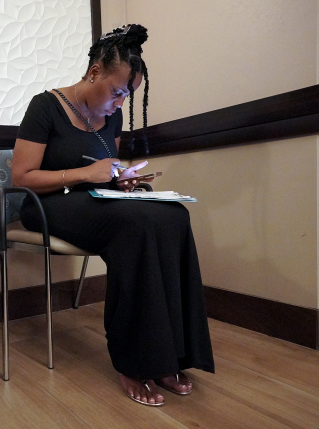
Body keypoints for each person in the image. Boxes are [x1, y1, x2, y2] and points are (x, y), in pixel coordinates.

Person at [11, 24, 215, 406]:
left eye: (128, 95)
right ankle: (134, 360)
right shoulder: (46, 106)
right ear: (94, 73)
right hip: (46, 204)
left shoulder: (113, 118)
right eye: (117, 91)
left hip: (92, 201)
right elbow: (23, 177)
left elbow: (107, 166)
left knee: (172, 215)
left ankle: (171, 353)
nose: (120, 102)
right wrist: (87, 174)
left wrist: (120, 180)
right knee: (135, 224)